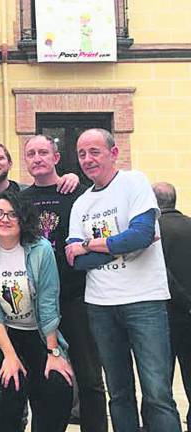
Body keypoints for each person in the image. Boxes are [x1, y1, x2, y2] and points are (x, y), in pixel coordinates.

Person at [65, 128, 182, 432]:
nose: (87, 159)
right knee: (118, 394)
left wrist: (90, 244)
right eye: (81, 154)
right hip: (101, 305)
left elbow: (141, 234)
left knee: (157, 393)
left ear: (113, 153)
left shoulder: (134, 183)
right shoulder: (81, 203)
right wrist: (124, 243)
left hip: (145, 302)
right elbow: (77, 262)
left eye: (95, 151)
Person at [0, 140, 78, 432]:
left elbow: (47, 304)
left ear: (23, 218)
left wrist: (54, 353)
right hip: (2, 336)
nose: (4, 219)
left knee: (57, 389)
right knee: (9, 391)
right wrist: (9, 355)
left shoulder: (40, 249)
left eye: (11, 214)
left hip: (39, 333)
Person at [21, 135, 107, 432]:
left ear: (56, 158)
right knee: (43, 376)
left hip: (76, 296)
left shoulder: (78, 193)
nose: (37, 158)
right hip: (37, 302)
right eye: (31, 153)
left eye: (43, 152)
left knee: (89, 376)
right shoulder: (21, 200)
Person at [154, 181, 191, 429]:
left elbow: (159, 272)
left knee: (159, 381)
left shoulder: (152, 229)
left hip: (162, 315)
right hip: (189, 315)